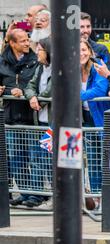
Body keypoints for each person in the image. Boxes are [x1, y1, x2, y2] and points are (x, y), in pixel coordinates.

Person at [0, 29, 38, 207]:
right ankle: (25, 192)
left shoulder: (35, 60)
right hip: (11, 116)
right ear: (12, 43)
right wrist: (5, 91)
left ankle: (37, 194)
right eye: (22, 40)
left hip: (32, 117)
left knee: (35, 156)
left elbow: (35, 84)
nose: (26, 42)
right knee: (16, 158)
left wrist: (23, 92)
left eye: (27, 39)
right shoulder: (2, 61)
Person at [80, 39, 110, 208]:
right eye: (78, 51)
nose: (82, 54)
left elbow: (100, 90)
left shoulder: (98, 66)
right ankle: (96, 196)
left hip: (102, 117)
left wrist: (74, 94)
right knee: (92, 160)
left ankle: (108, 196)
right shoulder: (72, 69)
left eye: (84, 50)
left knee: (105, 158)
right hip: (85, 118)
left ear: (90, 51)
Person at [24, 37, 53, 209]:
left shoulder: (59, 69)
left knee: (49, 160)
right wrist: (32, 96)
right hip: (39, 121)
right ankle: (38, 195)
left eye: (40, 49)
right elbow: (30, 86)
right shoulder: (40, 68)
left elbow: (52, 89)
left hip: (52, 122)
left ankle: (52, 196)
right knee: (37, 159)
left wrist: (39, 100)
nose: (36, 52)